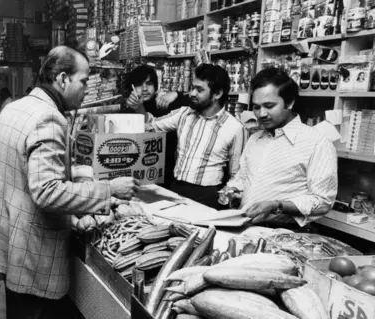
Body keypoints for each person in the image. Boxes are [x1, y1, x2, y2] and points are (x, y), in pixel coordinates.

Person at [0, 46, 139, 319]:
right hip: (35, 253)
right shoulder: (49, 118)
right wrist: (110, 189)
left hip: (12, 240)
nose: (86, 89)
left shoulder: (14, 108)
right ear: (63, 79)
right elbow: (46, 192)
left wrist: (73, 174)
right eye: (84, 80)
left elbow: (16, 167)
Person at [220, 67, 338, 228]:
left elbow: (323, 202)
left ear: (289, 102)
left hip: (286, 233)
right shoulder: (255, 139)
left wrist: (277, 205)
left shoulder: (317, 143)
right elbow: (242, 178)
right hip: (246, 227)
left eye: (269, 105)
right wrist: (232, 190)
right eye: (256, 107)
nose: (261, 114)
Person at [139, 64, 247, 209]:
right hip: (176, 188)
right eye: (192, 88)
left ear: (218, 93)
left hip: (208, 196)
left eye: (199, 90)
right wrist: (138, 106)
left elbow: (237, 175)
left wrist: (228, 195)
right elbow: (152, 126)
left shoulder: (235, 128)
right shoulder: (184, 114)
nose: (192, 93)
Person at [125, 65, 191, 188]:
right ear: (131, 88)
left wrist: (176, 94)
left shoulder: (164, 103)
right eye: (139, 85)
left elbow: (193, 107)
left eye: (149, 84)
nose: (144, 89)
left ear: (156, 87)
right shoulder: (127, 109)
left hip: (166, 173)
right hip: (136, 174)